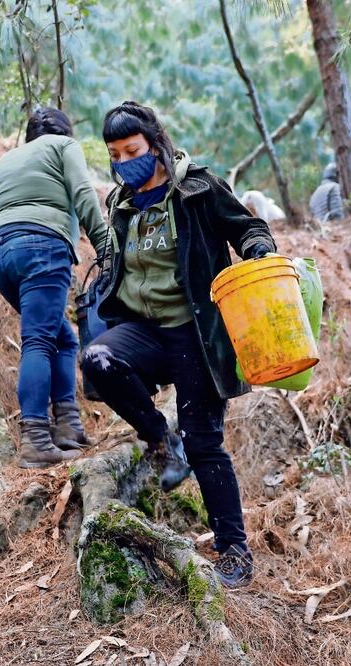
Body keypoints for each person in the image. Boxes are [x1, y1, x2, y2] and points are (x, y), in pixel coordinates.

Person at [80, 101, 276, 588]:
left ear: (155, 144)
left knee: (205, 440)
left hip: (194, 330)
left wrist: (256, 250)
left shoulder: (197, 188)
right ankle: (160, 439)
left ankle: (234, 552)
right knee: (97, 360)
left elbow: (248, 226)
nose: (126, 161)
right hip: (145, 329)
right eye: (116, 154)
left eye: (134, 150)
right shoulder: (121, 204)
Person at [0, 107, 108, 469]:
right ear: (64, 130)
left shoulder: (5, 162)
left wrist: (8, 246)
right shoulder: (64, 146)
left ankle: (68, 425)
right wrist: (108, 249)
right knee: (39, 340)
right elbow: (83, 194)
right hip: (44, 249)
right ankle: (34, 438)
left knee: (63, 338)